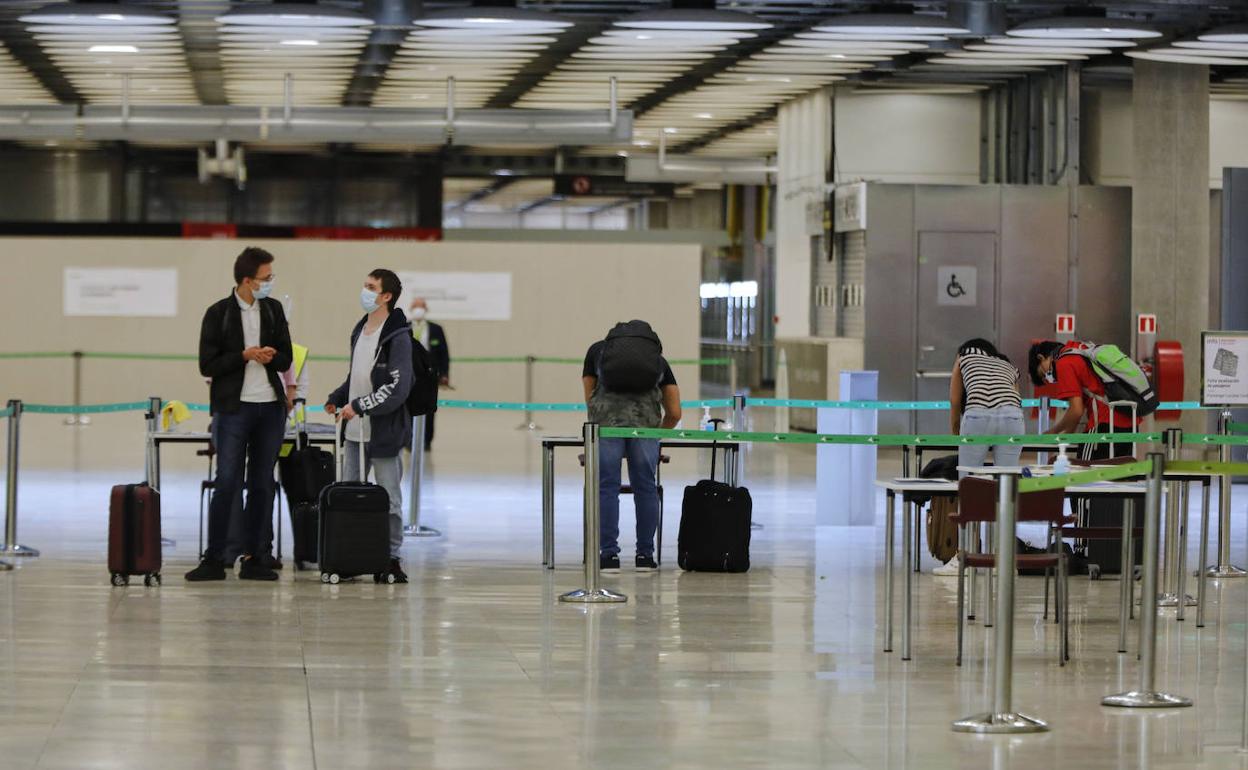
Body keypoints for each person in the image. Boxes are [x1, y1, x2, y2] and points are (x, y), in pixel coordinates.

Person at [187, 247, 292, 582]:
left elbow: (287, 359)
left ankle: (256, 556)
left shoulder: (274, 310)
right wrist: (244, 355)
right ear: (247, 280)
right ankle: (215, 558)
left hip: (269, 409)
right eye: (266, 278)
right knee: (228, 482)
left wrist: (270, 356)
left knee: (262, 483)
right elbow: (208, 364)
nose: (270, 283)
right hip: (233, 409)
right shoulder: (218, 313)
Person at [325, 269, 414, 584]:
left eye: (371, 287)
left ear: (386, 296)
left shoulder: (398, 336)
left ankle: (391, 557)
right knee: (350, 493)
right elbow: (357, 376)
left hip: (384, 432)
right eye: (364, 285)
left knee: (389, 496)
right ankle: (351, 554)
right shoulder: (360, 330)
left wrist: (361, 405)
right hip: (353, 430)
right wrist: (339, 397)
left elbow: (397, 387)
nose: (364, 291)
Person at [582, 321, 682, 573]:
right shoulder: (658, 361)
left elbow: (589, 400)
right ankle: (645, 557)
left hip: (605, 428)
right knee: (646, 488)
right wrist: (658, 434)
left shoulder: (596, 352)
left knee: (606, 487)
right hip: (646, 429)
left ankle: (608, 557)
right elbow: (675, 411)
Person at [932, 338, 1024, 576]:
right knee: (1006, 488)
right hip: (1014, 418)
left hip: (978, 415)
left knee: (969, 486)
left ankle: (964, 557)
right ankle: (1004, 562)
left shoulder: (964, 357)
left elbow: (955, 399)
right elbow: (1016, 399)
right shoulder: (1007, 365)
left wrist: (956, 432)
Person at [1028, 339, 1137, 456]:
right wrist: (1057, 432)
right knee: (1119, 471)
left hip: (1103, 423)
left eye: (1043, 373)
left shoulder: (1064, 363)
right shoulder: (1080, 350)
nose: (1047, 377)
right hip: (1130, 421)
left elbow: (1076, 410)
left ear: (1041, 357)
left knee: (1086, 471)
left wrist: (1061, 439)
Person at [408, 297, 449, 451]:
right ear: (411, 308)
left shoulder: (436, 329)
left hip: (429, 376)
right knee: (409, 407)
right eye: (416, 306)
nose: (419, 309)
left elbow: (444, 353)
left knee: (429, 408)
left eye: (421, 306)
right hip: (409, 374)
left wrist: (444, 374)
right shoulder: (404, 327)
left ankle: (426, 441)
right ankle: (409, 439)